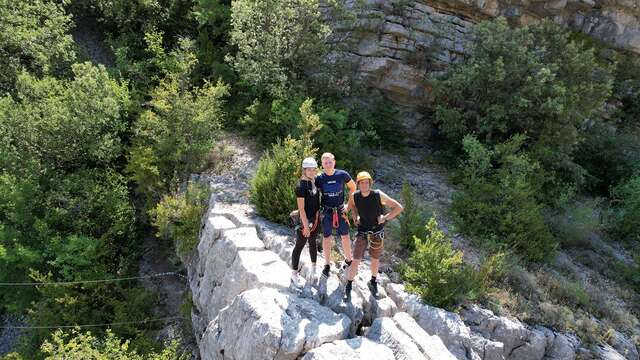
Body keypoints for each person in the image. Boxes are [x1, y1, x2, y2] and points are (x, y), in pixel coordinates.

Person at [345, 171, 403, 300]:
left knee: (375, 259)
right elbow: (352, 206)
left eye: (367, 182)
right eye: (362, 183)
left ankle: (373, 281)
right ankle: (348, 285)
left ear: (370, 183)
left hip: (377, 231)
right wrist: (355, 216)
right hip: (362, 231)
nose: (364, 185)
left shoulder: (378, 195)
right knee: (356, 259)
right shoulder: (355, 195)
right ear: (358, 184)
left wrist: (385, 218)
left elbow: (398, 207)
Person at [315, 152, 357, 278]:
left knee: (345, 236)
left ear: (334, 162)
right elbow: (313, 194)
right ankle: (327, 264)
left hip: (340, 210)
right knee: (327, 238)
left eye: (330, 162)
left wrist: (348, 206)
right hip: (326, 212)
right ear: (322, 164)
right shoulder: (319, 178)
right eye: (325, 162)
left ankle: (349, 260)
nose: (328, 164)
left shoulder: (342, 174)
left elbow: (353, 188)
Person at [291, 157, 321, 287]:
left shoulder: (313, 181)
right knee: (300, 245)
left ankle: (313, 267)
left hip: (315, 218)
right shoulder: (301, 186)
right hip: (305, 220)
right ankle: (294, 274)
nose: (312, 172)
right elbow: (301, 209)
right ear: (304, 170)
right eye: (309, 169)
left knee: (313, 242)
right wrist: (305, 226)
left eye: (314, 169)